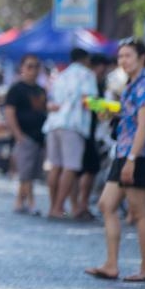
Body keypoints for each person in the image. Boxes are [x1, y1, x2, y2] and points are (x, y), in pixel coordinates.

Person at [86, 40, 145, 283]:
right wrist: (113, 112)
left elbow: (144, 124)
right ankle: (111, 264)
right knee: (106, 205)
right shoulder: (132, 84)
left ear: (142, 57)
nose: (123, 61)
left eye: (128, 56)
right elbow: (132, 116)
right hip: (124, 152)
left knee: (139, 211)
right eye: (120, 56)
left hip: (140, 155)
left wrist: (132, 159)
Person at [42, 48, 97, 219]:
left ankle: (53, 207)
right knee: (70, 167)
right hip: (73, 124)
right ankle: (59, 207)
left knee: (55, 166)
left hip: (54, 124)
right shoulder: (87, 74)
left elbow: (51, 102)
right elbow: (88, 101)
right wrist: (108, 108)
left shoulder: (61, 75)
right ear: (86, 59)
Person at [4, 55, 48, 215]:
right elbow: (9, 112)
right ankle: (31, 203)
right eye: (30, 66)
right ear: (22, 68)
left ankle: (19, 202)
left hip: (39, 137)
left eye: (36, 66)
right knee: (26, 173)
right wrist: (18, 134)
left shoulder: (40, 90)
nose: (33, 70)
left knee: (31, 173)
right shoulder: (16, 89)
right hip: (25, 136)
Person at [75, 54, 113, 220]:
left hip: (89, 130)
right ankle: (80, 205)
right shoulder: (89, 80)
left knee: (85, 169)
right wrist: (113, 106)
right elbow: (87, 102)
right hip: (84, 130)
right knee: (88, 168)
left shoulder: (98, 82)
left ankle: (80, 205)